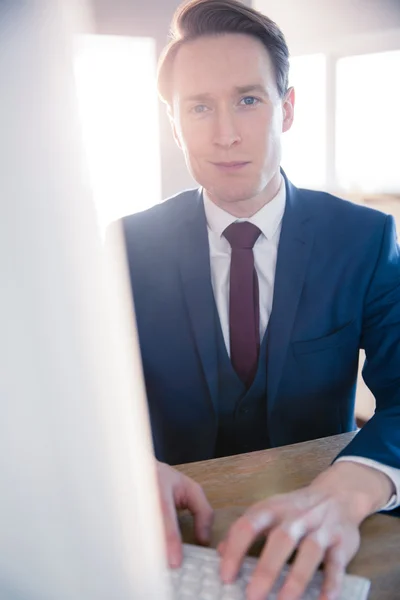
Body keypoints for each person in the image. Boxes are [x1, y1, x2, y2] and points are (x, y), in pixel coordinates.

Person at [121, 0, 400, 597]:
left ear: (288, 108)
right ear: (175, 124)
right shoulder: (124, 247)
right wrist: (122, 470)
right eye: (199, 108)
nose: (225, 134)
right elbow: (74, 403)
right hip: (171, 544)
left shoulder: (365, 239)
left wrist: (351, 488)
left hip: (322, 526)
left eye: (249, 99)